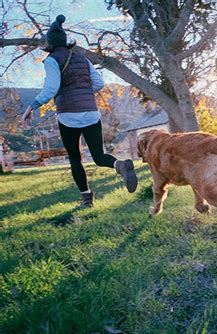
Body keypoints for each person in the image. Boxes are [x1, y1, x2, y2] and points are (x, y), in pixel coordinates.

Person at [21, 14, 138, 208]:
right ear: (65, 41)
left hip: (68, 116)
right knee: (99, 156)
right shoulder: (81, 58)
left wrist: (31, 106)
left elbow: (51, 88)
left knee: (75, 158)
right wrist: (82, 91)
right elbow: (99, 83)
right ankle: (120, 165)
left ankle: (86, 200)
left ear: (49, 43)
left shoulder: (51, 60)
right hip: (91, 113)